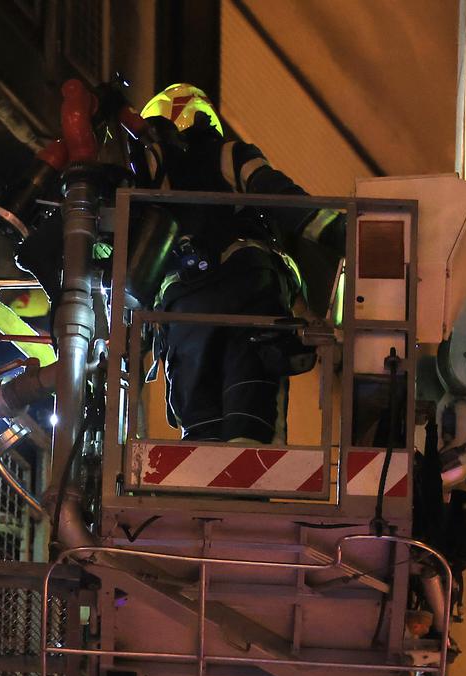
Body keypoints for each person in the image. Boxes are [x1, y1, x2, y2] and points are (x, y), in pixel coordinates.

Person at [134, 83, 335, 443]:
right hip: (250, 297)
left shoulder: (144, 181)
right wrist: (342, 231)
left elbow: (124, 266)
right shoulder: (228, 154)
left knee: (200, 435)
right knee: (251, 428)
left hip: (185, 313)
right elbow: (283, 198)